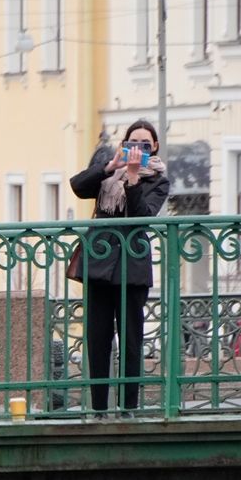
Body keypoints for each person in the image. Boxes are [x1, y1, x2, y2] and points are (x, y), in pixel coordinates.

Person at [70, 120, 171, 414]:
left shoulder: (158, 180)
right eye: (132, 143)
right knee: (97, 339)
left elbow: (142, 216)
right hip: (98, 265)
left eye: (145, 145)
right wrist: (110, 166)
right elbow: (78, 186)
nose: (138, 149)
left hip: (132, 268)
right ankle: (99, 408)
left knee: (130, 341)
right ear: (123, 145)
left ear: (154, 149)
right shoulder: (107, 170)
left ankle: (129, 408)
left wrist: (134, 179)